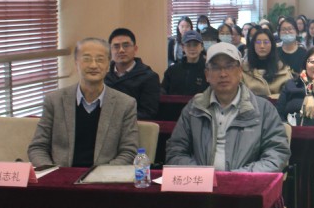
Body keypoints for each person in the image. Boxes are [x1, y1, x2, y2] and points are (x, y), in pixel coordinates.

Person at [165, 43, 289, 172]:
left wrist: (238, 177)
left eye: (229, 66)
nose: (223, 74)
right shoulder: (194, 108)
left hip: (245, 182)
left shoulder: (263, 109)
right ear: (207, 74)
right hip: (202, 182)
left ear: (240, 71)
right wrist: (203, 176)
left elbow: (277, 152)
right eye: (215, 67)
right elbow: (175, 151)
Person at [28, 38, 139, 167]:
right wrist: (51, 172)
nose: (93, 65)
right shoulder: (54, 100)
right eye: (86, 59)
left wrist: (102, 174)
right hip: (61, 174)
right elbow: (38, 147)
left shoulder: (125, 104)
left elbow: (129, 152)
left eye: (100, 59)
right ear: (76, 63)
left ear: (108, 65)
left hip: (104, 176)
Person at [104, 27, 160, 120]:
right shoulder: (104, 77)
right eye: (116, 46)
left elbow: (148, 113)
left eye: (126, 46)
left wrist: (117, 118)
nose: (121, 50)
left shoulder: (149, 77)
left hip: (134, 125)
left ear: (135, 49)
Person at [243, 28, 293, 97]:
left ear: (272, 44)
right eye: (258, 42)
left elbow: (289, 95)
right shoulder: (244, 71)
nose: (262, 46)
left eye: (266, 42)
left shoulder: (283, 70)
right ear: (253, 45)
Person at [161, 30, 209, 95]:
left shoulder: (208, 70)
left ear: (202, 47)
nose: (192, 48)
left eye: (195, 45)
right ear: (183, 47)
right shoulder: (172, 71)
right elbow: (163, 93)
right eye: (188, 45)